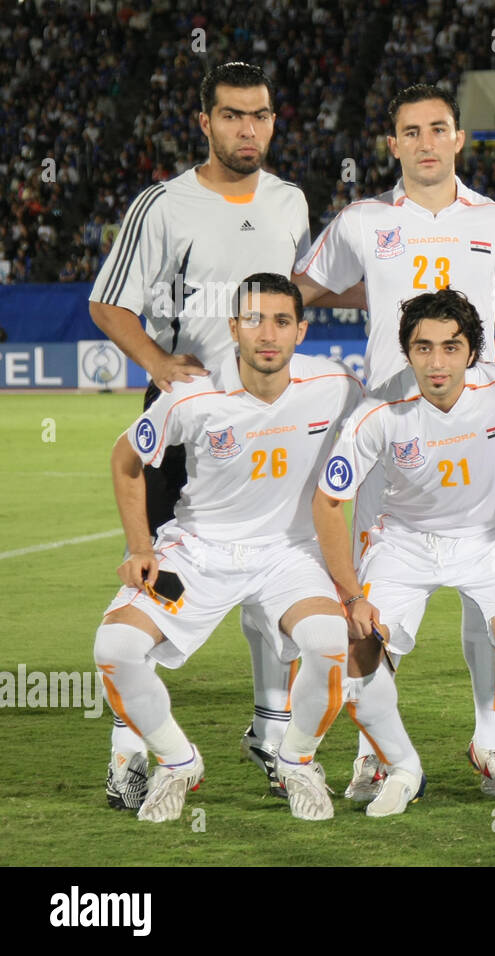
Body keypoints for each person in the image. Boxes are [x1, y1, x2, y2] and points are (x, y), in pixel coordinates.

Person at [88, 61, 330, 809]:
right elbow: (108, 303)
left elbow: (300, 291)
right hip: (190, 424)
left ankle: (271, 725)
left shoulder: (290, 200)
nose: (247, 128)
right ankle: (133, 750)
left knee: (276, 569)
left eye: (259, 115)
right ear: (205, 122)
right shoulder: (163, 205)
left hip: (272, 419)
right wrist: (162, 366)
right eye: (231, 115)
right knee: (158, 575)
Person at [294, 83, 495, 802]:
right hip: (391, 433)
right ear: (392, 144)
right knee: (375, 608)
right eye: (411, 131)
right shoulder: (363, 221)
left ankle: (491, 740)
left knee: (488, 594)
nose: (426, 142)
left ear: (459, 138)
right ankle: (377, 751)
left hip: (481, 427)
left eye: (438, 129)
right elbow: (303, 289)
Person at [92, 273, 364, 823]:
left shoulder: (336, 385)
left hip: (288, 553)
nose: (268, 334)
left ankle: (296, 762)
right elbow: (126, 461)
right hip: (200, 551)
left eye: (282, 321)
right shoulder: (192, 396)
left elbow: (376, 447)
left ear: (301, 330)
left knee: (331, 643)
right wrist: (141, 545)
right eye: (254, 320)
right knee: (115, 649)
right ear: (233, 327)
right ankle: (177, 762)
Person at [312, 289, 495, 818]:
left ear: (473, 352)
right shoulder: (378, 410)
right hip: (406, 542)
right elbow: (329, 502)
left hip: (491, 538)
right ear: (407, 353)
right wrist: (351, 594)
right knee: (360, 649)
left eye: (451, 347)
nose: (437, 362)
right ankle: (397, 764)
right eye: (423, 348)